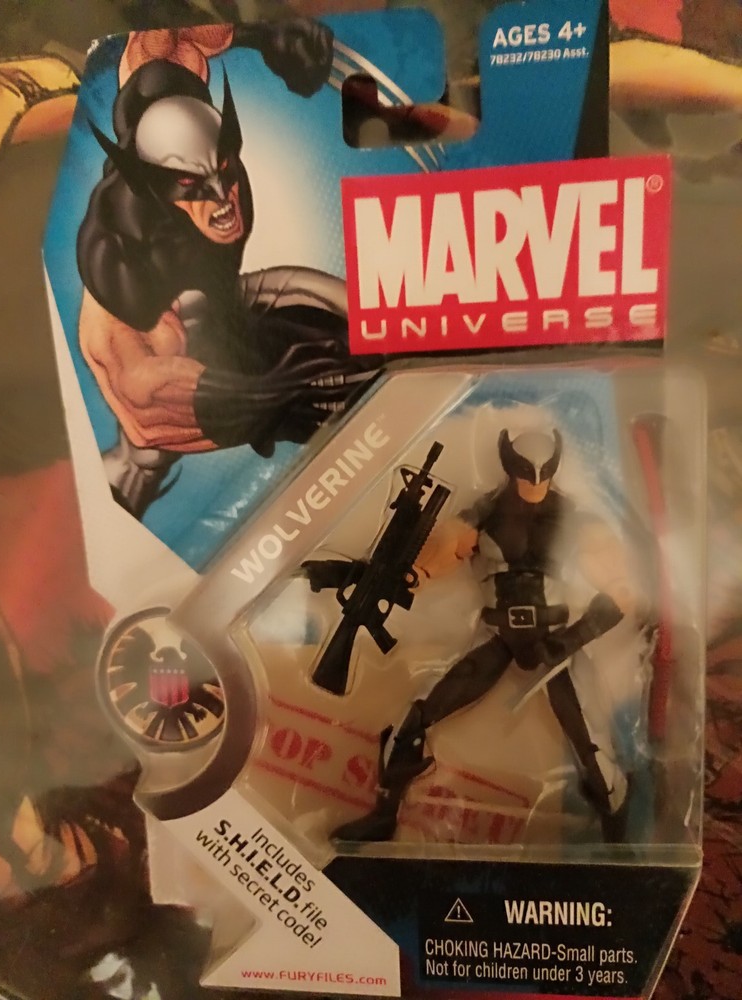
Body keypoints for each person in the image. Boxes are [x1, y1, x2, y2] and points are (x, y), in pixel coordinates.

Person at [77, 21, 377, 519]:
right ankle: (132, 479)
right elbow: (139, 381)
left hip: (231, 306)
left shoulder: (165, 76)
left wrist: (265, 34)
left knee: (363, 321)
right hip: (176, 365)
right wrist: (260, 396)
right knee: (155, 427)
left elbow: (176, 31)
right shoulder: (121, 249)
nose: (222, 196)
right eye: (194, 184)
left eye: (224, 169)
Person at [334, 428, 637, 844]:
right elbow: (429, 565)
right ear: (509, 465)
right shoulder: (482, 515)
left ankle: (619, 839)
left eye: (542, 474)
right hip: (497, 633)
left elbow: (623, 592)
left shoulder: (577, 520)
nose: (534, 482)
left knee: (592, 748)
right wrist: (396, 573)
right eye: (526, 473)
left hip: (555, 640)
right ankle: (384, 815)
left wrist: (572, 639)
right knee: (416, 717)